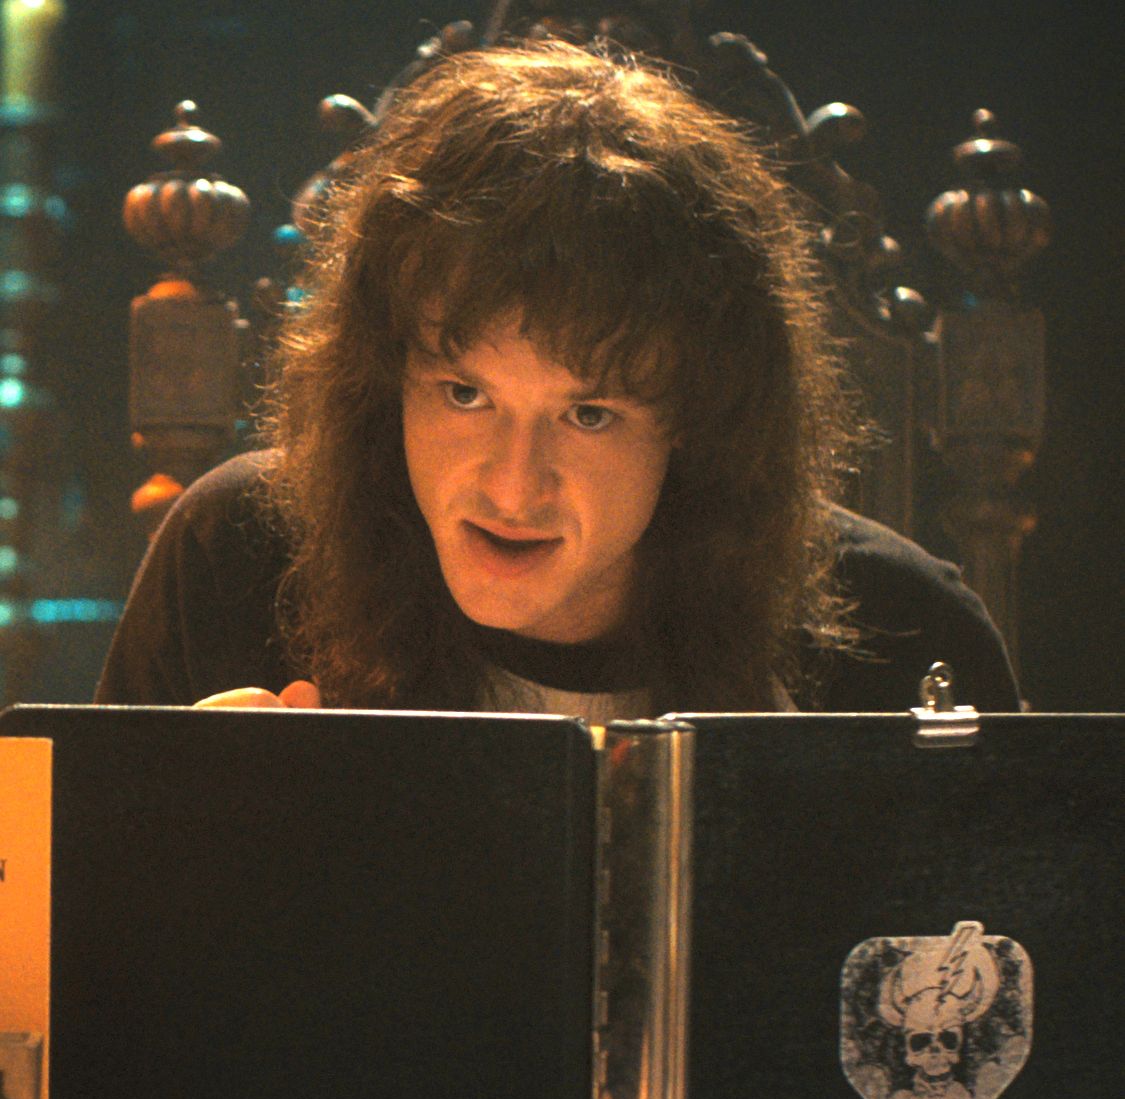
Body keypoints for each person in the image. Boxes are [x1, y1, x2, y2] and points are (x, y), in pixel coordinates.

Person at [96, 41, 1018, 718]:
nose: (512, 487)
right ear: (385, 381)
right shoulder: (236, 559)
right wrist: (190, 833)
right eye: (465, 394)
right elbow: (76, 927)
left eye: (588, 413)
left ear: (698, 415)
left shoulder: (904, 636)